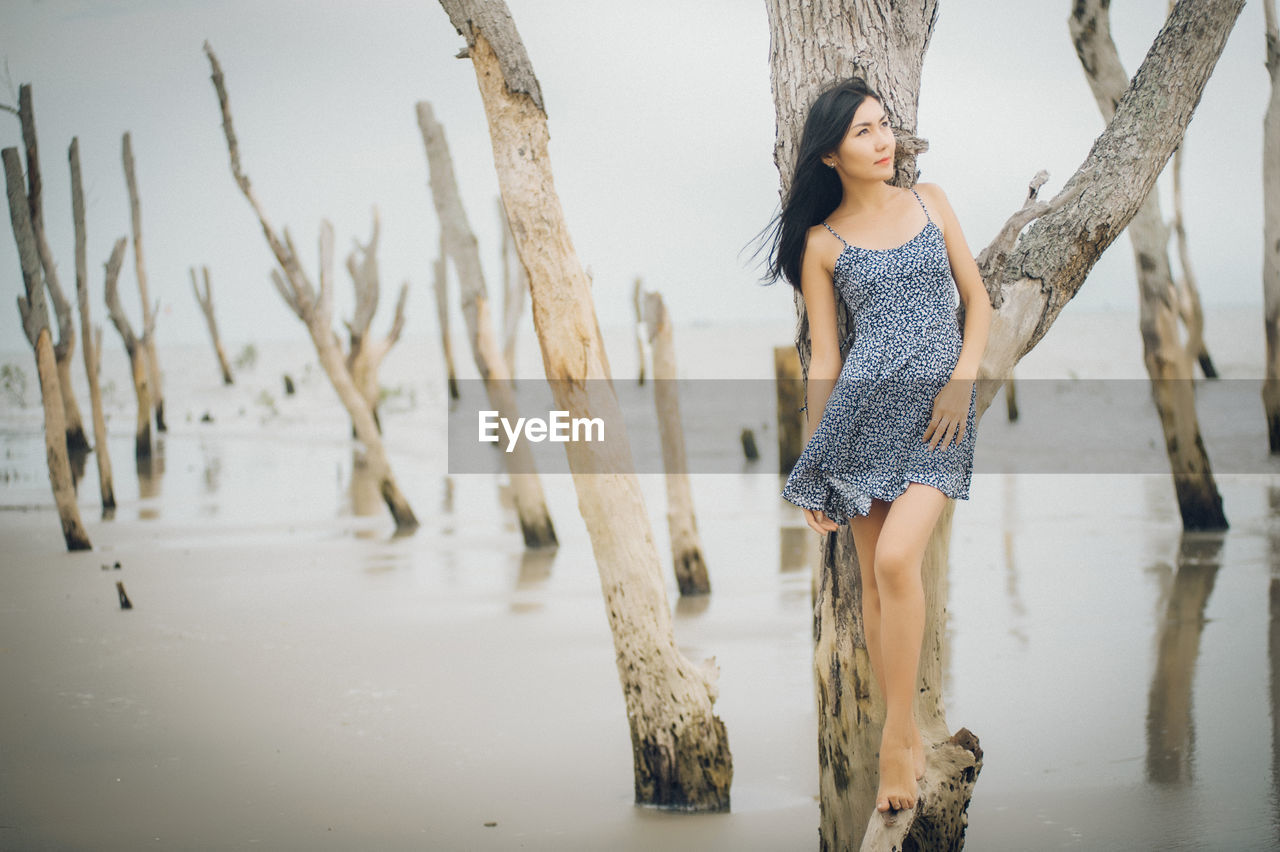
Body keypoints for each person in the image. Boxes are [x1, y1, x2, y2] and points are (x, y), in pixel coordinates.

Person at [761, 77, 992, 814]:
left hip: (938, 416)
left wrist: (961, 383)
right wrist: (815, 463)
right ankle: (900, 734)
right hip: (862, 416)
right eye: (863, 132)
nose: (883, 139)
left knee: (897, 559)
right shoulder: (821, 244)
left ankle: (899, 737)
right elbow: (825, 359)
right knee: (872, 581)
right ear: (830, 155)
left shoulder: (933, 202)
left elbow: (976, 301)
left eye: (884, 124)